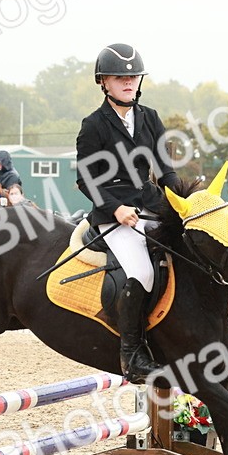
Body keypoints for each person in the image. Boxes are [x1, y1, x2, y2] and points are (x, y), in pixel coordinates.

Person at [75, 42, 178, 383]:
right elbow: (84, 179)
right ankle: (131, 355)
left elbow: (165, 170)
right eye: (120, 77)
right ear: (103, 82)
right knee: (142, 273)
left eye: (133, 77)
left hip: (150, 203)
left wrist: (183, 201)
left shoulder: (150, 118)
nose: (129, 82)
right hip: (113, 211)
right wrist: (115, 208)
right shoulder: (94, 125)